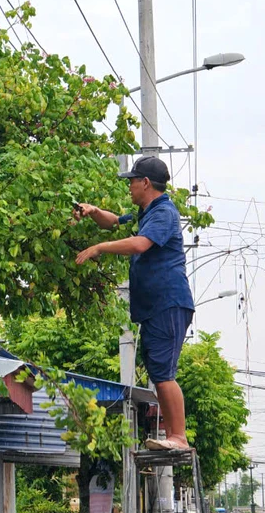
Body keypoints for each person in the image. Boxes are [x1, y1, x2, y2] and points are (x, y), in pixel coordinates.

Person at [74, 156, 195, 450]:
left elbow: (140, 244)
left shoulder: (163, 212)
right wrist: (93, 211)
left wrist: (99, 248)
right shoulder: (147, 214)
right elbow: (114, 222)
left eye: (132, 181)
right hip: (155, 307)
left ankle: (178, 437)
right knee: (158, 372)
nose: (129, 186)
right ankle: (174, 436)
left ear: (145, 183)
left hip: (168, 303)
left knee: (164, 373)